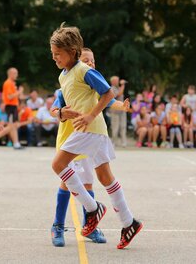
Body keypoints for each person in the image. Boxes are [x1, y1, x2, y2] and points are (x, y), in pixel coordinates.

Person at [49, 24, 142, 249]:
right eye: (52, 55)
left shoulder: (83, 70)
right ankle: (129, 222)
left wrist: (90, 115)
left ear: (72, 51)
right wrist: (64, 113)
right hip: (95, 133)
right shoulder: (65, 76)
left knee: (58, 165)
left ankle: (92, 209)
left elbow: (108, 93)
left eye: (57, 54)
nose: (54, 58)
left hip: (89, 129)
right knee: (105, 177)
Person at [109, 75, 127, 147]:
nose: (118, 81)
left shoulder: (118, 88)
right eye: (116, 80)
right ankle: (113, 142)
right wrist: (123, 85)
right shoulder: (111, 89)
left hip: (122, 111)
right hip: (115, 111)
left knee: (123, 126)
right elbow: (119, 94)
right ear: (112, 81)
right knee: (115, 127)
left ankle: (123, 142)